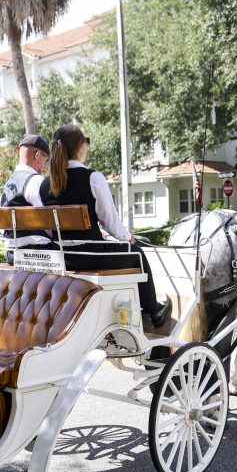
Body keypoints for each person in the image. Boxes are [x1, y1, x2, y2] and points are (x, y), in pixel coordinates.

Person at [40, 124, 171, 330]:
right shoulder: (93, 178)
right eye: (86, 142)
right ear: (80, 147)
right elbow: (111, 223)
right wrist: (127, 236)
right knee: (137, 254)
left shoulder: (45, 185)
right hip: (91, 256)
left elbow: (50, 230)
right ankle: (155, 312)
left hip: (62, 258)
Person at [0, 134, 53, 264]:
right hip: (39, 254)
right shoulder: (36, 181)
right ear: (37, 155)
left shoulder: (7, 185)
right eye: (45, 160)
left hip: (12, 254)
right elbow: (50, 222)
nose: (44, 166)